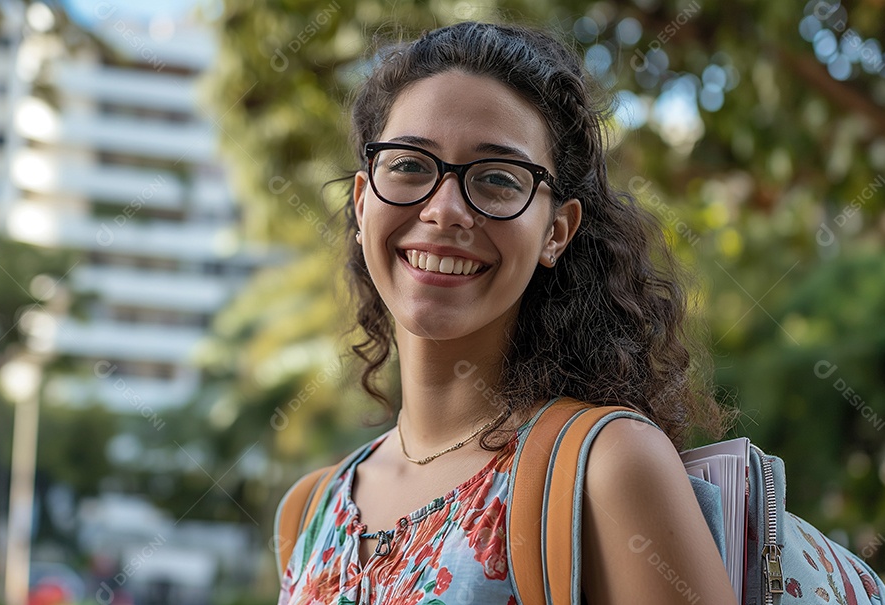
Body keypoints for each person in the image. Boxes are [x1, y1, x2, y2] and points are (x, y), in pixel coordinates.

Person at [277, 21, 737, 604]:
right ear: (364, 200)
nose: (444, 212)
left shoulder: (607, 469)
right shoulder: (310, 511)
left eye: (497, 179)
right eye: (411, 165)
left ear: (555, 233)